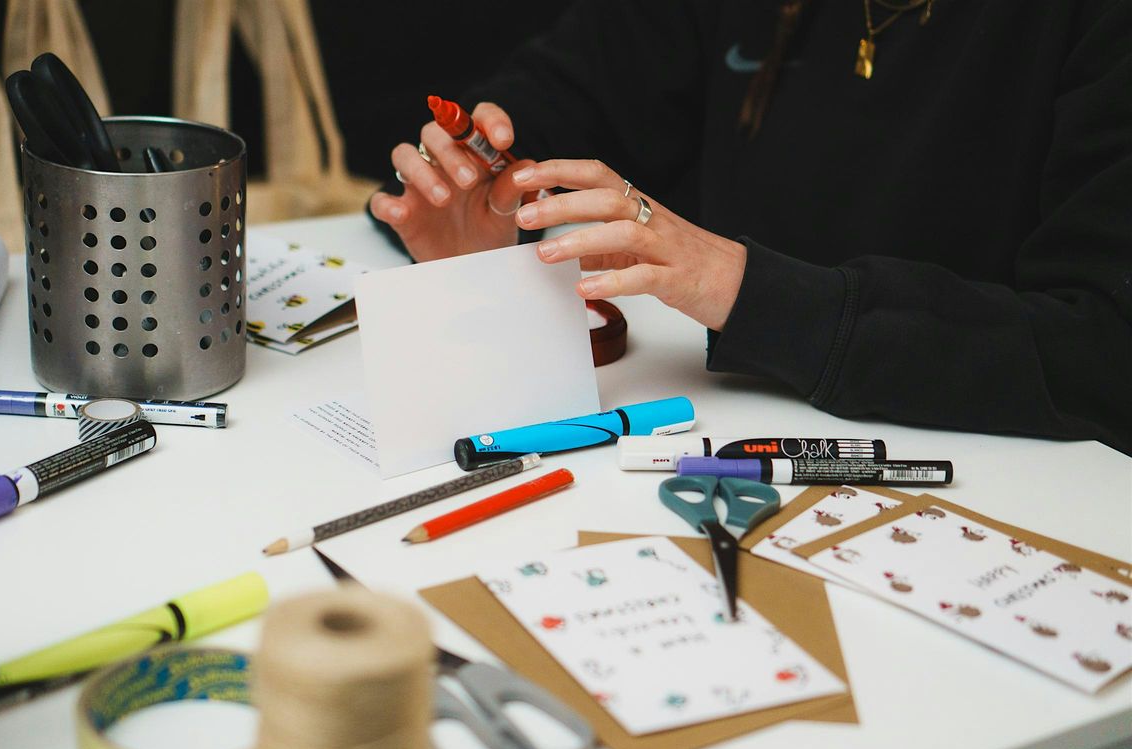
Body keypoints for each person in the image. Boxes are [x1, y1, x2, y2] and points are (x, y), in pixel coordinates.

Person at [369, 0, 1132, 455]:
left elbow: (1101, 351)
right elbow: (570, 90)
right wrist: (483, 187)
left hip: (987, 483)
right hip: (712, 428)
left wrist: (741, 288)